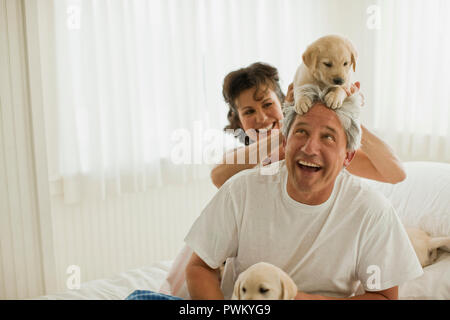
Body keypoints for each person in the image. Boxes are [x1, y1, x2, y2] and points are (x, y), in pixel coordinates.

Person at [159, 62, 407, 298]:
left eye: (267, 105)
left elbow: (396, 173)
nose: (261, 118)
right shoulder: (246, 174)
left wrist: (345, 113)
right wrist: (292, 122)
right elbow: (219, 177)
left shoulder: (365, 203)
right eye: (248, 112)